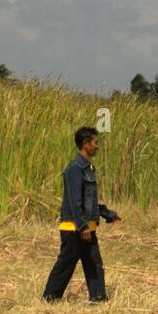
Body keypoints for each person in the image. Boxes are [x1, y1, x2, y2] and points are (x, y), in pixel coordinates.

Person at [43, 126, 123, 302]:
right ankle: (49, 298)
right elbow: (74, 201)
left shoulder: (89, 168)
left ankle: (99, 299)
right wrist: (82, 226)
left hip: (87, 227)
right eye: (95, 142)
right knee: (66, 264)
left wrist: (108, 214)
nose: (97, 146)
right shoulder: (75, 169)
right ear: (85, 144)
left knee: (94, 264)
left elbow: (90, 202)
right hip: (74, 228)